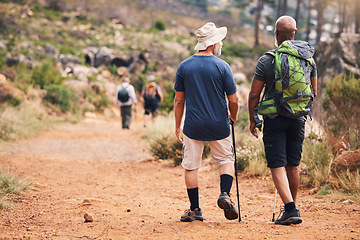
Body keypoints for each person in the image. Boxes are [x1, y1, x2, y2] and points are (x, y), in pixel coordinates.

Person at [248, 16, 317, 225]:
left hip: (275, 118)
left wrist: (253, 119)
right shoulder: (308, 59)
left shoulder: (267, 60)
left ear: (276, 34)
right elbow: (314, 91)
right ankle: (292, 208)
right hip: (298, 118)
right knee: (293, 165)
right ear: (294, 33)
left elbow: (253, 94)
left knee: (277, 164)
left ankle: (290, 209)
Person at [174, 22, 239, 222]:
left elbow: (179, 100)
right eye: (219, 40)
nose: (221, 43)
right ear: (212, 44)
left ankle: (195, 210)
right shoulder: (222, 66)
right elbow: (234, 99)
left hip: (193, 125)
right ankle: (225, 194)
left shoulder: (184, 66)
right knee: (226, 160)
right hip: (219, 124)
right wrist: (233, 116)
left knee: (192, 166)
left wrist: (178, 126)